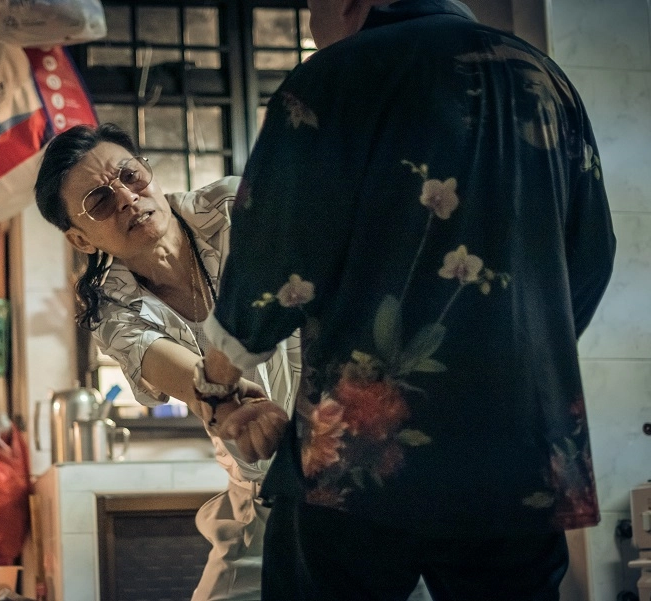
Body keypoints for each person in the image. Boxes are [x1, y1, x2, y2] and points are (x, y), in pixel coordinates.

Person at [197, 0, 617, 599]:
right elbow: (592, 256)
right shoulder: (544, 81)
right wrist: (514, 356)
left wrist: (217, 377)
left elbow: (275, 259)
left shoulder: (334, 76)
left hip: (362, 460)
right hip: (519, 456)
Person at [33, 123, 301, 601]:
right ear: (81, 240)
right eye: (99, 201)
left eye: (130, 176)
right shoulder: (109, 306)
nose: (127, 199)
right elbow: (164, 364)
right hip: (261, 492)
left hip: (352, 452)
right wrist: (219, 398)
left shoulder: (234, 207)